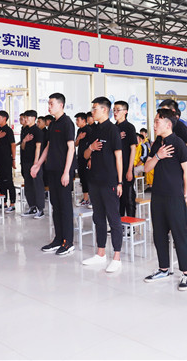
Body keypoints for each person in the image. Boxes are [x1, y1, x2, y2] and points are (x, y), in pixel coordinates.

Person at [143, 109, 187, 290]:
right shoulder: (157, 143)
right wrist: (158, 155)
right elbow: (147, 168)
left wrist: (184, 195)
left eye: (157, 121)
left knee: (180, 235)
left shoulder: (179, 144)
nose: (154, 124)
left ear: (168, 124)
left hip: (175, 196)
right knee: (159, 233)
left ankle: (186, 273)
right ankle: (163, 269)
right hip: (157, 196)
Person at [82, 97, 124, 272]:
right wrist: (91, 148)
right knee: (98, 217)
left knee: (113, 219)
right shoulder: (93, 130)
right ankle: (100, 254)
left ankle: (117, 257)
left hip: (110, 181)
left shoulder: (113, 130)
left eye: (95, 109)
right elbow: (85, 155)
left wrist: (120, 182)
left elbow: (119, 157)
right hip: (94, 181)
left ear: (104, 110)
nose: (92, 112)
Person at [32, 93, 76, 256]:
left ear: (61, 105)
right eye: (48, 104)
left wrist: (66, 172)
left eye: (51, 104)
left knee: (65, 207)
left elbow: (71, 148)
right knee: (55, 206)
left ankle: (68, 242)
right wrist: (38, 165)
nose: (49, 107)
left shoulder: (67, 123)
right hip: (52, 170)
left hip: (63, 172)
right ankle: (58, 239)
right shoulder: (53, 125)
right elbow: (48, 147)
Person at [114, 100, 138, 218]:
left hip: (126, 166)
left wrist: (130, 169)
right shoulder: (113, 128)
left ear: (125, 111)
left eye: (118, 110)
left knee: (128, 198)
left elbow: (133, 149)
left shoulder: (129, 127)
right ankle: (120, 224)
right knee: (117, 199)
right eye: (114, 110)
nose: (115, 113)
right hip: (114, 168)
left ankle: (131, 223)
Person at [20, 110, 45, 218]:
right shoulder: (25, 130)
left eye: (27, 117)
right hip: (26, 161)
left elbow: (38, 148)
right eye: (25, 117)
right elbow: (22, 147)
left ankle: (40, 209)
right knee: (28, 185)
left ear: (34, 118)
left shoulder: (38, 131)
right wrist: (24, 140)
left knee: (37, 185)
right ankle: (32, 207)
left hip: (34, 163)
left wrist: (36, 164)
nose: (25, 119)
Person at [0, 110, 16, 213]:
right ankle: (4, 202)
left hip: (6, 160)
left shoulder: (8, 131)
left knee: (8, 181)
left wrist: (13, 159)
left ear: (4, 118)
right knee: (0, 181)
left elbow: (13, 145)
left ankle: (12, 204)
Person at [74, 112, 92, 208]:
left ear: (84, 120)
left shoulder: (89, 130)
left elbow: (92, 146)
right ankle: (85, 199)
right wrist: (79, 138)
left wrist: (90, 159)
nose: (76, 122)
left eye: (78, 120)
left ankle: (91, 199)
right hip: (80, 157)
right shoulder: (79, 130)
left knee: (88, 178)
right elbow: (76, 144)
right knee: (82, 178)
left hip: (87, 158)